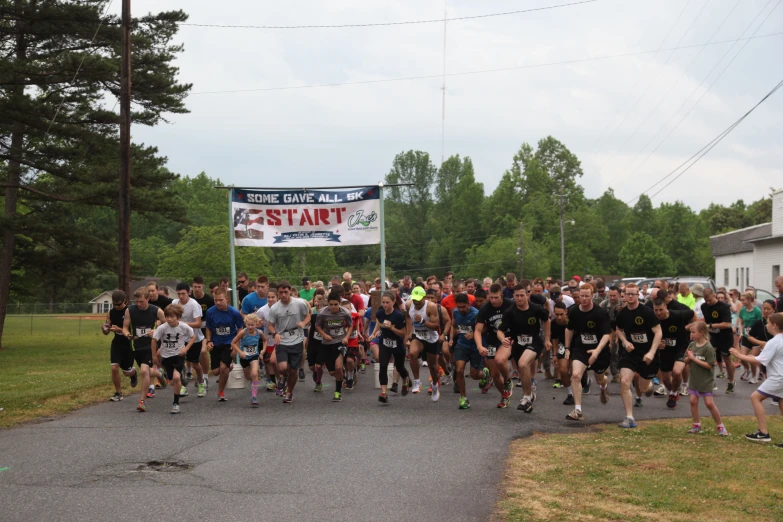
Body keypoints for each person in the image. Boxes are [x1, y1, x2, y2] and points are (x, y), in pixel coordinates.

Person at [497, 284, 551, 414]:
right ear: (513, 296)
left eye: (522, 295)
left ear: (527, 295)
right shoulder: (510, 312)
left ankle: (526, 398)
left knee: (522, 363)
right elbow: (500, 330)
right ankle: (529, 393)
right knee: (522, 369)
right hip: (518, 344)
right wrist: (502, 339)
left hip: (535, 342)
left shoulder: (536, 309)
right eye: (517, 296)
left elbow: (547, 320)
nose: (520, 298)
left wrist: (548, 339)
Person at [730, 313, 783, 445]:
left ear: (775, 325)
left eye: (769, 323)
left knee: (755, 397)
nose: (766, 325)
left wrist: (739, 355)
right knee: (782, 402)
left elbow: (759, 361)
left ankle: (763, 433)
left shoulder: (774, 342)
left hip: (777, 377)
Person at [615, 283, 662, 428]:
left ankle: (648, 387)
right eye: (627, 294)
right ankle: (629, 417)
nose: (629, 296)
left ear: (638, 295)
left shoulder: (647, 312)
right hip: (630, 353)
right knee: (624, 382)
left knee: (642, 387)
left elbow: (658, 332)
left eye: (632, 294)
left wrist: (652, 352)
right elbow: (618, 329)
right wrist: (624, 341)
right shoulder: (622, 313)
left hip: (647, 354)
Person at [563, 284, 612, 421]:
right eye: (581, 296)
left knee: (599, 378)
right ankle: (578, 410)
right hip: (581, 348)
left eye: (586, 296)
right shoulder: (574, 311)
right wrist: (567, 348)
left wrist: (596, 351)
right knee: (576, 374)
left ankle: (604, 386)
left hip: (599, 350)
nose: (583, 299)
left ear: (592, 296)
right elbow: (569, 329)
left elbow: (607, 334)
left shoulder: (600, 313)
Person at [123, 287, 167, 412]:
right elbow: (125, 327)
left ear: (148, 299)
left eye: (141, 301)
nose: (139, 304)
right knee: (147, 371)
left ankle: (142, 401)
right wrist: (128, 335)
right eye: (136, 301)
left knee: (143, 371)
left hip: (151, 345)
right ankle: (159, 373)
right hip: (136, 346)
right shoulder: (130, 310)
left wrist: (156, 330)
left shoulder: (156, 310)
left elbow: (167, 324)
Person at [267, 281, 311, 403]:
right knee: (282, 367)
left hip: (297, 338)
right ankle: (283, 376)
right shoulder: (275, 308)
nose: (284, 295)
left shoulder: (300, 303)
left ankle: (289, 392)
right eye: (281, 292)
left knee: (293, 370)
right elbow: (270, 325)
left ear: (290, 291)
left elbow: (308, 316)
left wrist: (303, 323)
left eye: (286, 292)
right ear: (278, 293)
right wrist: (275, 333)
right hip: (282, 339)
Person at [475, 283, 515, 408]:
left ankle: (508, 380)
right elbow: (477, 330)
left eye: (496, 297)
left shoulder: (510, 305)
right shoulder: (485, 309)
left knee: (500, 359)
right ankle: (504, 395)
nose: (493, 300)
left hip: (509, 338)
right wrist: (480, 346)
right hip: (493, 340)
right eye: (491, 297)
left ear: (502, 296)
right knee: (494, 373)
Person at [685, 321, 729, 436]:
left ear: (702, 333)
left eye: (693, 332)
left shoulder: (708, 348)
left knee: (709, 403)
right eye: (691, 332)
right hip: (694, 379)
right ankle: (696, 425)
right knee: (692, 401)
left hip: (705, 380)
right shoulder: (692, 345)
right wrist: (688, 358)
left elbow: (709, 365)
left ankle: (720, 426)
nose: (691, 335)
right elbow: (685, 361)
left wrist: (694, 359)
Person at [151, 304, 195, 414]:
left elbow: (192, 337)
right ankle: (177, 379)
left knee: (176, 377)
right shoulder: (162, 328)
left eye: (172, 317)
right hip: (166, 356)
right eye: (167, 316)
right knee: (172, 381)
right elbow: (153, 340)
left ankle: (176, 403)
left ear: (178, 317)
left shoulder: (183, 327)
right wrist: (154, 356)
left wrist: (186, 349)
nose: (169, 319)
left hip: (178, 355)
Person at [652, 298, 695, 408]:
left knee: (676, 372)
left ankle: (673, 394)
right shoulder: (652, 319)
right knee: (666, 380)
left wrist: (692, 329)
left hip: (680, 347)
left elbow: (693, 314)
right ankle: (673, 391)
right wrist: (657, 342)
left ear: (666, 307)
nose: (658, 313)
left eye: (661, 310)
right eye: (656, 310)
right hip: (664, 351)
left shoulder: (677, 315)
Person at [370, 291, 411, 404]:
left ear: (393, 302)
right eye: (383, 302)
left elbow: (403, 333)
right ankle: (384, 393)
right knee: (383, 365)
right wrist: (374, 333)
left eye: (387, 302)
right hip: (385, 342)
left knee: (399, 366)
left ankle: (405, 378)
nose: (385, 305)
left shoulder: (398, 315)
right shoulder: (380, 313)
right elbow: (379, 322)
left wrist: (392, 328)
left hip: (397, 343)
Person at [205, 288, 244, 402]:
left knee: (223, 368)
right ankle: (229, 366)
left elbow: (240, 329)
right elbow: (208, 328)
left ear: (226, 299)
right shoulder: (210, 312)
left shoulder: (234, 313)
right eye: (215, 300)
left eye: (220, 300)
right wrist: (208, 341)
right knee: (216, 371)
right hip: (216, 344)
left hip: (229, 344)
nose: (218, 303)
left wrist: (236, 346)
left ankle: (220, 392)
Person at [405, 286, 443, 400]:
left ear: (424, 297)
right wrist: (408, 334)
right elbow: (408, 317)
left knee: (433, 366)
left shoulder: (431, 307)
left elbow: (436, 326)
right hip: (418, 335)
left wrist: (422, 321)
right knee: (412, 353)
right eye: (414, 298)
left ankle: (435, 385)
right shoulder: (408, 305)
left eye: (419, 299)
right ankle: (417, 382)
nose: (416, 301)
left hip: (431, 337)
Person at [315, 292, 352, 402]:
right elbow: (317, 326)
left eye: (336, 304)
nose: (333, 307)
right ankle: (341, 376)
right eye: (331, 304)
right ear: (328, 303)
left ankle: (337, 392)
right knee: (332, 372)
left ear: (340, 303)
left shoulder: (345, 312)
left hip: (340, 342)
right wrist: (324, 335)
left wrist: (347, 337)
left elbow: (350, 325)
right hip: (327, 343)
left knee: (338, 367)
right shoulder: (322, 313)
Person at [172, 282, 206, 398]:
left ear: (188, 293)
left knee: (195, 364)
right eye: (179, 294)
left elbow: (199, 323)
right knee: (179, 363)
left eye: (183, 294)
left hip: (194, 338)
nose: (181, 296)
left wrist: (184, 324)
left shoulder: (194, 305)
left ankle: (201, 382)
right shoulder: (174, 303)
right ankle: (183, 386)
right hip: (179, 338)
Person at [102, 290, 137, 402]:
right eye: (114, 304)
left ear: (125, 301)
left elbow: (133, 332)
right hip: (117, 343)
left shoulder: (130, 311)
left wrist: (120, 330)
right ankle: (118, 393)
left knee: (127, 372)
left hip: (128, 343)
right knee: (114, 367)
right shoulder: (110, 313)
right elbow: (107, 332)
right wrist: (105, 329)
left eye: (119, 304)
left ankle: (133, 373)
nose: (116, 307)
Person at [450, 294, 483, 410]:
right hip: (462, 344)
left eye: (464, 307)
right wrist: (450, 339)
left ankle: (485, 375)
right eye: (459, 307)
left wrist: (474, 334)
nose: (461, 309)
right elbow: (453, 326)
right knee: (459, 370)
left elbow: (484, 329)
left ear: (469, 304)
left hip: (475, 347)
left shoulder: (476, 314)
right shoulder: (455, 312)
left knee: (474, 375)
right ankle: (463, 398)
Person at [700, 288, 736, 394]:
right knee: (708, 357)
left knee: (727, 358)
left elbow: (727, 324)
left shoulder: (724, 307)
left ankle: (731, 381)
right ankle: (710, 382)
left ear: (714, 296)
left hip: (725, 336)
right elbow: (706, 321)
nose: (708, 303)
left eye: (710, 300)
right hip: (713, 336)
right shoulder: (704, 306)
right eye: (706, 301)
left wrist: (711, 325)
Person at [231, 313, 266, 407]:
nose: (250, 327)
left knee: (254, 373)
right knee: (248, 376)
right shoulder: (243, 332)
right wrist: (240, 352)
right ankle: (254, 381)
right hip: (244, 356)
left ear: (256, 324)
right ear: (245, 324)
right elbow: (233, 343)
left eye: (252, 325)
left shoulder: (259, 332)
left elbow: (265, 340)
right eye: (248, 325)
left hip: (254, 356)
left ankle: (254, 397)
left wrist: (263, 350)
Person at [190, 276, 214, 388]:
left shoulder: (209, 300)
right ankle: (196, 374)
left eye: (199, 287)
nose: (197, 289)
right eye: (195, 287)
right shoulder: (189, 299)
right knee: (193, 354)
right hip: (192, 328)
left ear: (203, 287)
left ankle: (205, 376)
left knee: (203, 351)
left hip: (205, 328)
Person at [737, 291, 763, 384]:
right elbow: (741, 322)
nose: (742, 302)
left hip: (755, 337)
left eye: (744, 300)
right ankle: (747, 370)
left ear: (750, 300)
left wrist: (760, 338)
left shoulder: (757, 311)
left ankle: (754, 376)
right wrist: (740, 332)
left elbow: (760, 324)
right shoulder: (743, 310)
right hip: (745, 336)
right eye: (741, 300)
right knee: (742, 358)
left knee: (752, 358)